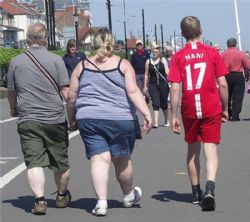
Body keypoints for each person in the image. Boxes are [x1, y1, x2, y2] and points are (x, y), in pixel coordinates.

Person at [67, 28, 152, 216]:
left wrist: (71, 117)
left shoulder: (82, 65)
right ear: (112, 43)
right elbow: (133, 92)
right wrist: (146, 113)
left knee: (99, 158)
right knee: (121, 160)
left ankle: (101, 203)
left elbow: (71, 97)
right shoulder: (123, 64)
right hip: (120, 117)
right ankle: (129, 195)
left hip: (89, 118)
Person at [7, 23, 71, 215]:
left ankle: (40, 201)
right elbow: (66, 91)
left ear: (27, 38)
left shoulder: (16, 61)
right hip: (55, 118)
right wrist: (74, 113)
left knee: (34, 162)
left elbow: (11, 91)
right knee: (60, 161)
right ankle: (61, 196)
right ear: (45, 38)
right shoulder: (56, 60)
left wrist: (13, 108)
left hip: (28, 119)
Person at [168, 16, 229, 211]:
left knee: (192, 150)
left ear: (182, 34)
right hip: (210, 105)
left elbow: (175, 88)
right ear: (201, 32)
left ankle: (196, 192)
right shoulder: (212, 53)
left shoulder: (178, 57)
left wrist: (174, 115)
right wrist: (226, 108)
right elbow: (223, 83)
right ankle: (210, 188)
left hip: (190, 108)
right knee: (210, 149)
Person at [221, 38, 250, 121]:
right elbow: (247, 66)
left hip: (226, 75)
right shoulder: (240, 53)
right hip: (238, 75)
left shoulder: (223, 54)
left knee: (227, 95)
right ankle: (235, 115)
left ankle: (228, 113)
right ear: (235, 44)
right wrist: (247, 76)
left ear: (227, 44)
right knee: (238, 96)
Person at [143, 45, 170, 128]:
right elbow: (146, 74)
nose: (154, 54)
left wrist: (171, 81)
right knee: (155, 102)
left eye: (156, 52)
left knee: (164, 103)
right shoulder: (148, 61)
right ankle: (156, 123)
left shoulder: (163, 60)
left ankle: (166, 120)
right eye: (153, 52)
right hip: (152, 85)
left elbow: (167, 72)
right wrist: (145, 86)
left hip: (163, 84)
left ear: (159, 53)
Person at [130, 39, 150, 104]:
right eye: (138, 45)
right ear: (136, 46)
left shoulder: (146, 53)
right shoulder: (134, 55)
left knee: (145, 87)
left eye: (140, 44)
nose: (139, 46)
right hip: (137, 74)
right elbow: (132, 65)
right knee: (140, 87)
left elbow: (149, 62)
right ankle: (142, 99)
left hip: (145, 73)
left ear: (142, 45)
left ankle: (146, 98)